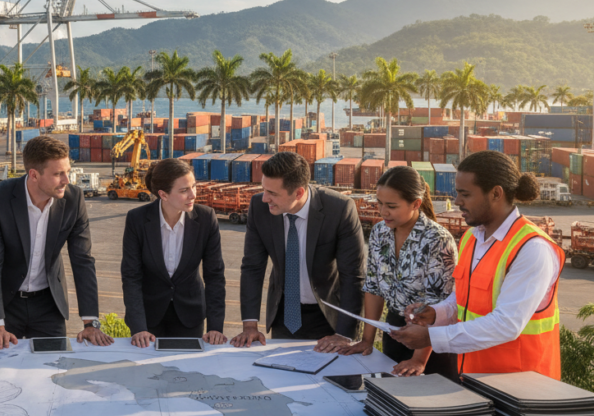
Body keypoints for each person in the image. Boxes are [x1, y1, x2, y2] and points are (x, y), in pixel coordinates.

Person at [390, 150, 565, 379]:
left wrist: (432, 338)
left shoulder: (532, 249)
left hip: (523, 389)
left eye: (465, 194)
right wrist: (435, 313)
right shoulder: (471, 238)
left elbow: (506, 324)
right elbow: (463, 299)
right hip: (475, 378)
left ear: (495, 194)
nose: (457, 201)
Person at [0, 135, 112, 349]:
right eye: (58, 174)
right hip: (6, 302)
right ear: (34, 175)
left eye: (68, 171)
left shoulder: (74, 199)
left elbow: (82, 260)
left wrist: (90, 322)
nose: (66, 180)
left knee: (52, 368)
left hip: (49, 303)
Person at [232, 151, 366, 350]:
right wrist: (250, 325)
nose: (264, 199)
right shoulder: (258, 208)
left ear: (299, 193)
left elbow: (353, 275)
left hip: (330, 318)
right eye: (264, 190)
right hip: (285, 314)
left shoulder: (339, 209)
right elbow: (252, 267)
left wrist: (344, 334)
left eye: (273, 194)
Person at [338, 166, 458, 378]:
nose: (383, 212)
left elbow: (438, 305)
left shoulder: (437, 239)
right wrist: (367, 341)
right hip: (394, 333)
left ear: (416, 204)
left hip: (430, 342)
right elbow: (373, 287)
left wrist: (419, 359)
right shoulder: (379, 232)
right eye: (380, 203)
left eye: (391, 206)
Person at [121, 158, 227, 347]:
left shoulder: (206, 219)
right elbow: (131, 276)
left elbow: (215, 276)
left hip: (190, 316)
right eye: (184, 190)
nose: (193, 195)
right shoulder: (137, 220)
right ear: (163, 194)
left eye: (194, 186)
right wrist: (138, 327)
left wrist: (215, 327)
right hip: (148, 318)